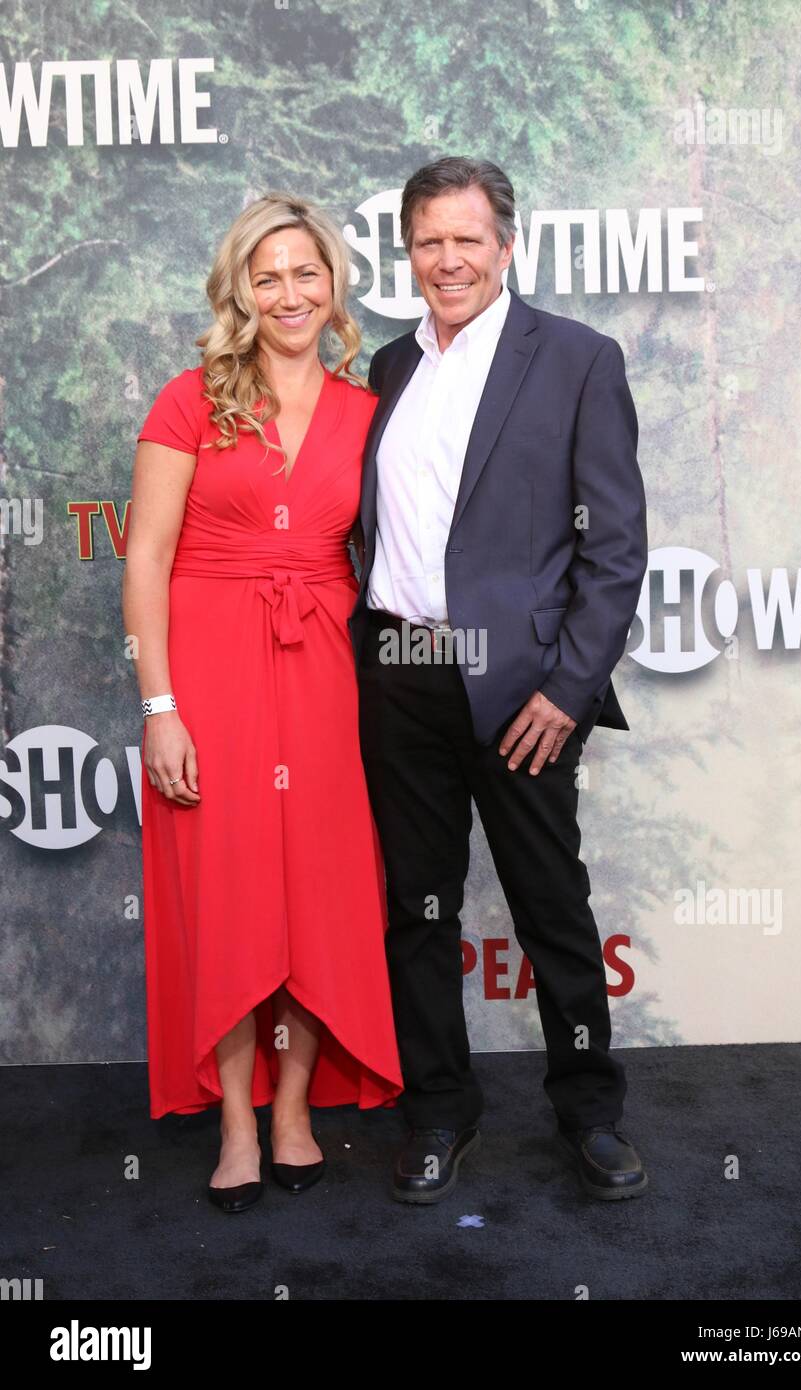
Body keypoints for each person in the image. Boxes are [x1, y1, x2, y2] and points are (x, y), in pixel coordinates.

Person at [349, 156, 649, 1203]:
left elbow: (612, 549)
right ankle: (437, 1109)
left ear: (505, 245)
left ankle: (588, 1111)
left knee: (549, 905)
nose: (447, 260)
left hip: (523, 687)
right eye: (428, 241)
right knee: (416, 908)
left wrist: (566, 691)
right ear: (408, 251)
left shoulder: (573, 359)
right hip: (402, 667)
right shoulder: (388, 368)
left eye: (465, 239)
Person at [123, 191, 403, 1214]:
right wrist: (161, 706)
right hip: (210, 671)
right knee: (232, 895)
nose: (288, 291)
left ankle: (294, 1109)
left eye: (306, 272)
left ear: (332, 286)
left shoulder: (368, 414)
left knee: (319, 899)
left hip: (326, 675)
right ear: (240, 289)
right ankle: (236, 1123)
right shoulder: (190, 400)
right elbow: (146, 558)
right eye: (267, 274)